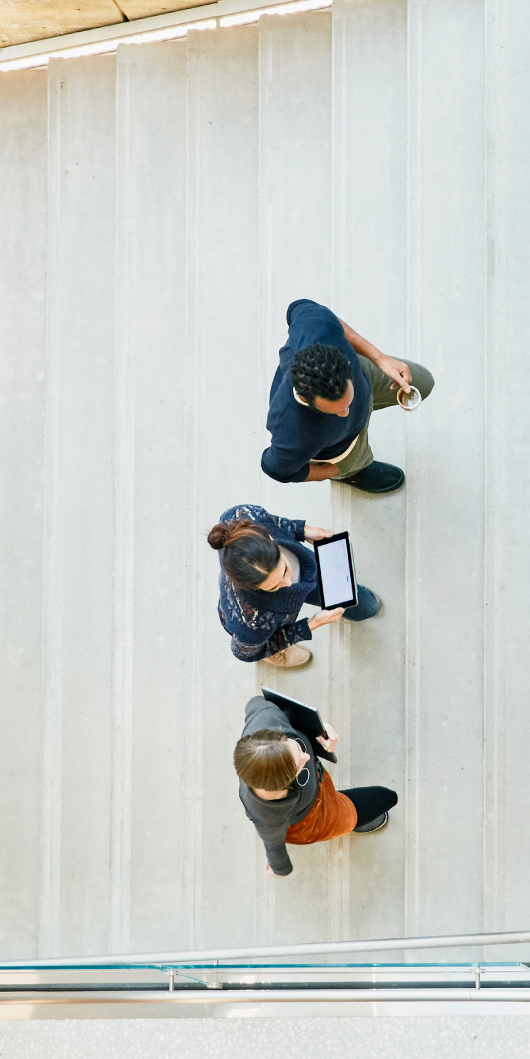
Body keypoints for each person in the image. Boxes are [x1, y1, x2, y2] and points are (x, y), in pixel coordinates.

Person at [261, 298, 434, 495]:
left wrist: (380, 358)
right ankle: (352, 472)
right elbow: (275, 469)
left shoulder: (317, 326)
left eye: (347, 402)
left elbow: (320, 316)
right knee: (354, 463)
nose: (346, 413)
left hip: (363, 377)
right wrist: (333, 469)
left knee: (424, 382)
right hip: (343, 447)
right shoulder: (291, 431)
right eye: (335, 411)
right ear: (304, 398)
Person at [235, 693, 398, 876]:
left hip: (313, 784)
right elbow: (273, 845)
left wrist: (319, 731)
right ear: (281, 790)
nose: (307, 756)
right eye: (299, 763)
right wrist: (279, 869)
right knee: (385, 797)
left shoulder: (266, 719)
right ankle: (351, 821)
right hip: (309, 818)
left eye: (296, 745)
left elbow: (256, 702)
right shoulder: (270, 817)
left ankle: (353, 813)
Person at [209, 504, 380, 671]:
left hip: (306, 569)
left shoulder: (242, 516)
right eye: (274, 586)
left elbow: (272, 521)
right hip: (265, 623)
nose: (289, 584)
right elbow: (244, 653)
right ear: (250, 587)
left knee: (367, 607)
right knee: (264, 642)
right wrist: (311, 624)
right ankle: (272, 650)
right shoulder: (252, 622)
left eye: (284, 569)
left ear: (269, 538)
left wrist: (301, 530)